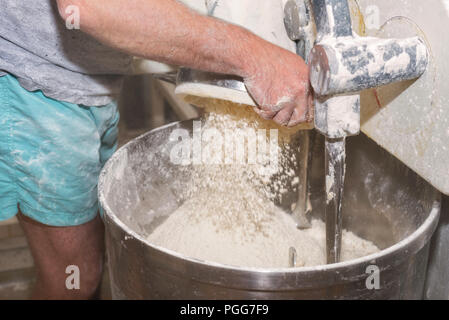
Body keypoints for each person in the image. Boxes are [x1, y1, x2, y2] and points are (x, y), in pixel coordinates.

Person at [0, 0, 312, 299]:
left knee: (92, 258)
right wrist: (254, 56)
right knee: (73, 281)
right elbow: (88, 6)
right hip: (34, 81)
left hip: (90, 82)